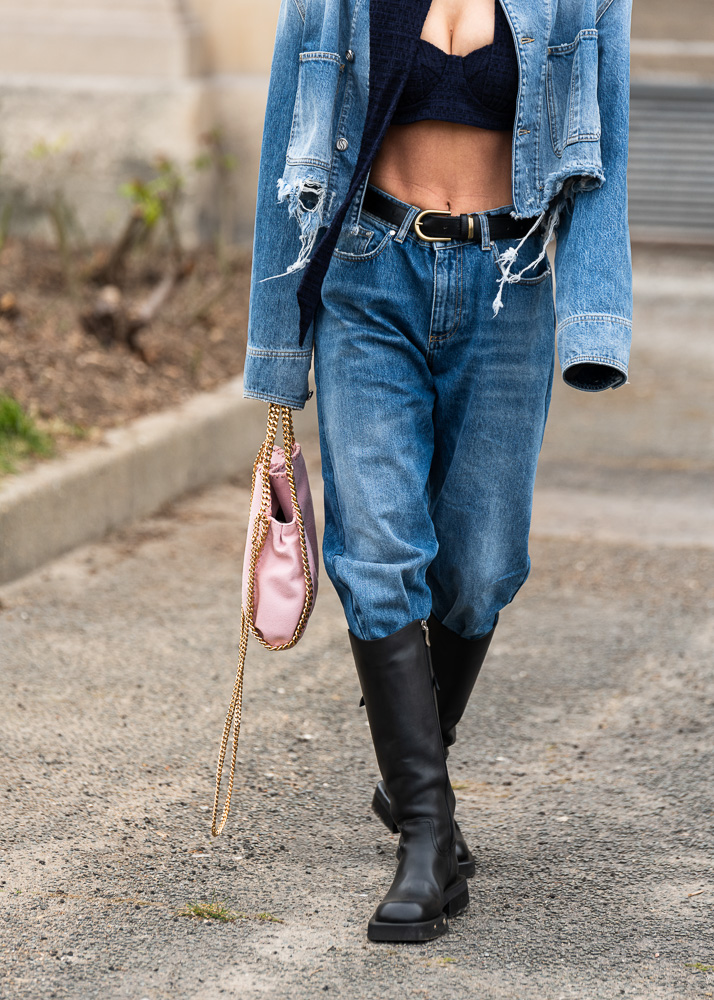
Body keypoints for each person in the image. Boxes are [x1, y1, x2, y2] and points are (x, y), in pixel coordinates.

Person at [243, 0, 633, 943]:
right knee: (378, 547)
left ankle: (412, 773)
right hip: (367, 272)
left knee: (483, 562)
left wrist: (596, 320)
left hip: (511, 282)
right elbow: (283, 140)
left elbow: (606, 155)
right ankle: (426, 833)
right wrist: (278, 350)